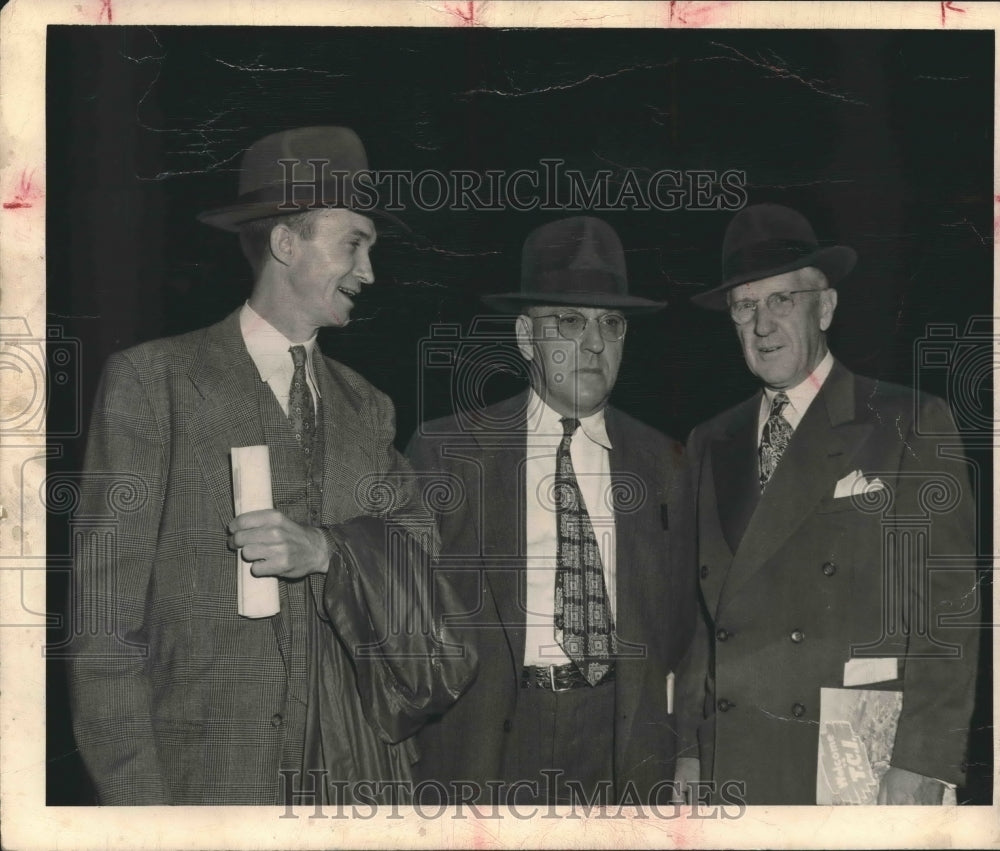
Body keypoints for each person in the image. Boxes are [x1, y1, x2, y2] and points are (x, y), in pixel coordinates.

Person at [68, 126, 474, 805]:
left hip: (353, 787)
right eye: (355, 244)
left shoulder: (367, 406)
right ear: (287, 243)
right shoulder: (154, 383)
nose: (371, 272)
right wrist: (141, 816)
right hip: (209, 790)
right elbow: (103, 629)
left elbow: (421, 555)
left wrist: (328, 551)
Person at [674, 203, 980, 805]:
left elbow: (951, 615)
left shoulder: (907, 421)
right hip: (734, 753)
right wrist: (689, 747)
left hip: (857, 756)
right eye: (744, 306)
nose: (762, 325)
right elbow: (698, 625)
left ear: (826, 307)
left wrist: (924, 762)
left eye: (782, 300)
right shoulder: (710, 441)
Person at [406, 216, 695, 805]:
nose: (594, 343)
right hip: (487, 744)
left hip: (623, 742)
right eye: (568, 320)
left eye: (611, 324)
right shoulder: (448, 452)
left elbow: (695, 626)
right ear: (524, 335)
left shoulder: (666, 461)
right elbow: (400, 620)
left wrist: (687, 746)